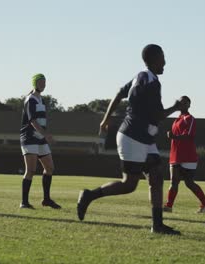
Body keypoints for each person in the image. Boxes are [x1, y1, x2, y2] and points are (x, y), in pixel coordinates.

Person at [77, 44, 182, 235]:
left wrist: (106, 118)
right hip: (133, 137)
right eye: (162, 58)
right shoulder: (151, 82)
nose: (165, 62)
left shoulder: (140, 76)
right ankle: (89, 195)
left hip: (144, 138)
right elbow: (157, 114)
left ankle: (157, 225)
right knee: (129, 184)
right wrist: (176, 106)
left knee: (156, 177)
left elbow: (119, 92)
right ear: (153, 60)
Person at [19, 73, 61, 209]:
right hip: (29, 137)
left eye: (44, 82)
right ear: (34, 83)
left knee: (49, 168)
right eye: (40, 82)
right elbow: (32, 121)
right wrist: (46, 134)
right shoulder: (30, 99)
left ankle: (46, 199)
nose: (43, 84)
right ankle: (24, 202)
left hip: (40, 138)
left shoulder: (41, 99)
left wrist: (44, 135)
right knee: (30, 170)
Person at [163, 96, 205, 213]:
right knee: (174, 181)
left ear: (189, 105)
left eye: (185, 103)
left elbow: (188, 136)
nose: (182, 104)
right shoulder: (177, 119)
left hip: (188, 156)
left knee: (189, 183)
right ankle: (168, 206)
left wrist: (173, 136)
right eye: (180, 102)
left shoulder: (190, 118)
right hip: (175, 155)